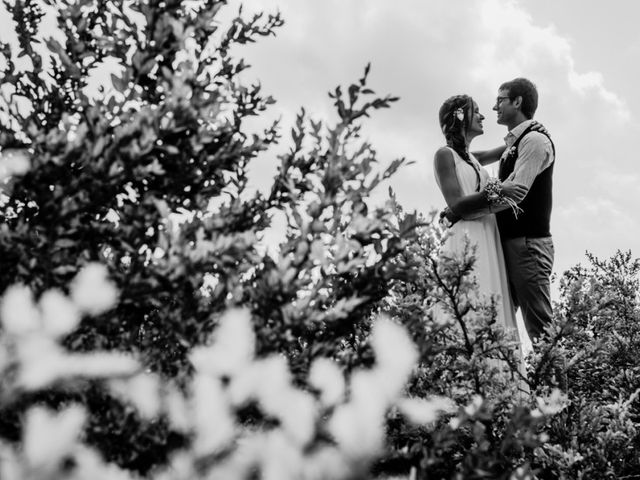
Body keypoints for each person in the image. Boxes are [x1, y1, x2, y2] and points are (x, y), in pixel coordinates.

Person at [433, 94, 528, 373]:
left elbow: (509, 147)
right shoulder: (444, 155)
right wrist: (498, 190)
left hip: (488, 236)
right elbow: (456, 205)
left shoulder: (474, 159)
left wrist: (530, 126)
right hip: (465, 238)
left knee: (492, 304)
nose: (484, 115)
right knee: (469, 302)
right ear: (460, 116)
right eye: (476, 111)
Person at [492, 78, 555, 344]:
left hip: (528, 246)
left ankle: (554, 388)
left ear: (517, 102)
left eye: (500, 100)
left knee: (540, 330)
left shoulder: (535, 141)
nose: (495, 107)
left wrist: (469, 209)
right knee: (500, 325)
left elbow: (516, 192)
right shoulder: (514, 144)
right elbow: (476, 157)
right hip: (513, 244)